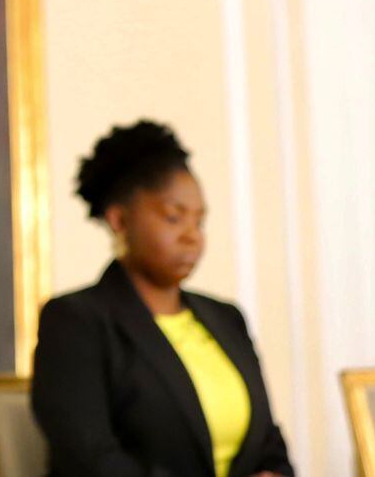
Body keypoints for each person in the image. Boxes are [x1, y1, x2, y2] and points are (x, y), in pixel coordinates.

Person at [31, 120, 295, 477]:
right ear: (120, 221)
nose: (193, 237)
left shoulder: (227, 318)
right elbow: (91, 459)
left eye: (199, 222)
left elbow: (269, 444)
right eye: (174, 217)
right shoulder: (76, 321)